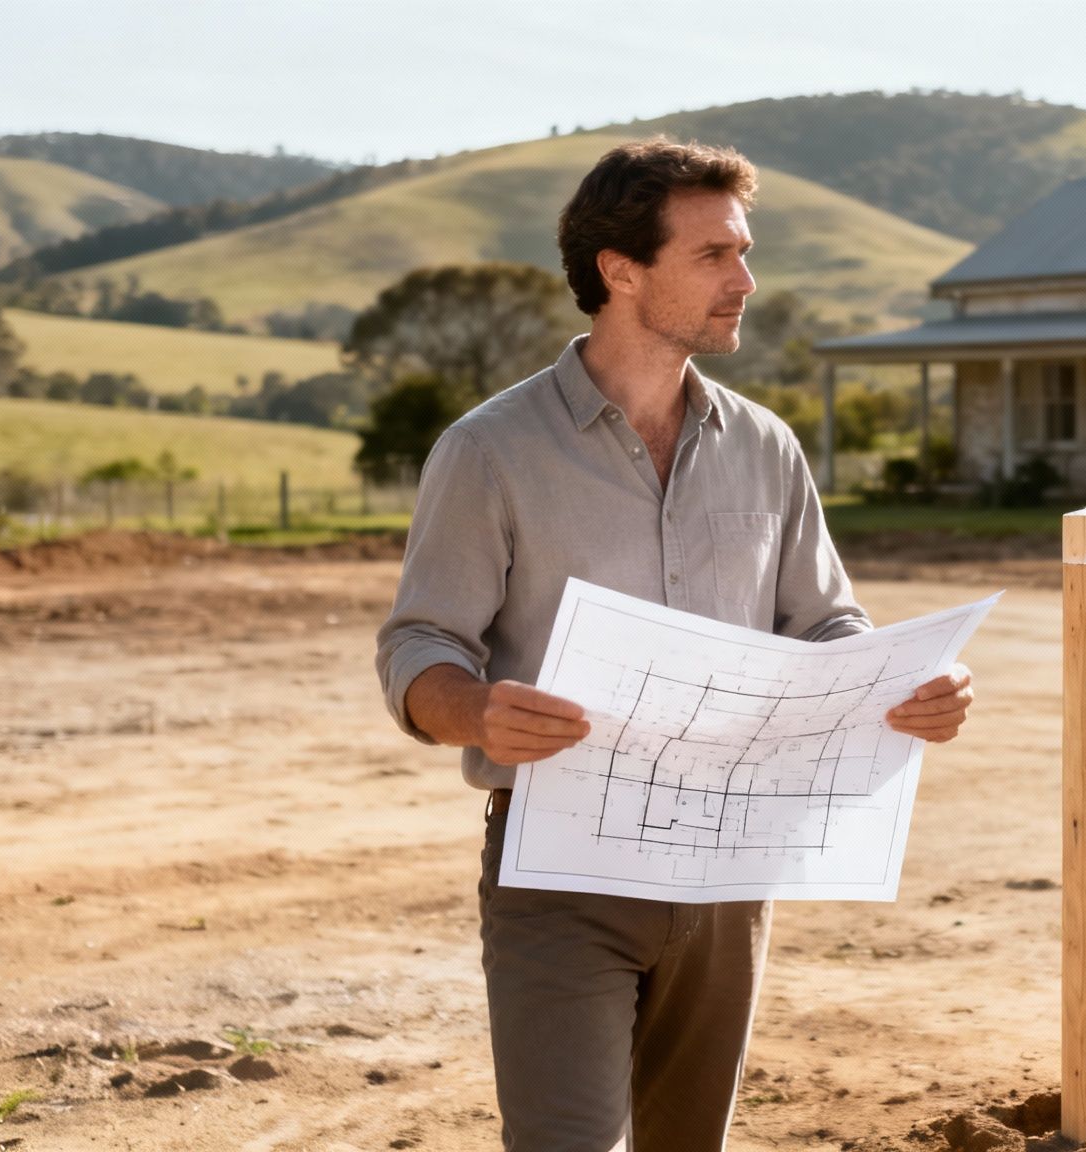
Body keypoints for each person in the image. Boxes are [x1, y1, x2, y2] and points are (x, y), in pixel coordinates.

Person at [374, 138, 977, 1151]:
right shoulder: (490, 451)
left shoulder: (765, 446)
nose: (744, 281)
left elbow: (824, 623)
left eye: (743, 252)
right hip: (559, 870)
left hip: (729, 875)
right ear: (619, 270)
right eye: (711, 256)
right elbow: (419, 644)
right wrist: (472, 710)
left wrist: (903, 685)